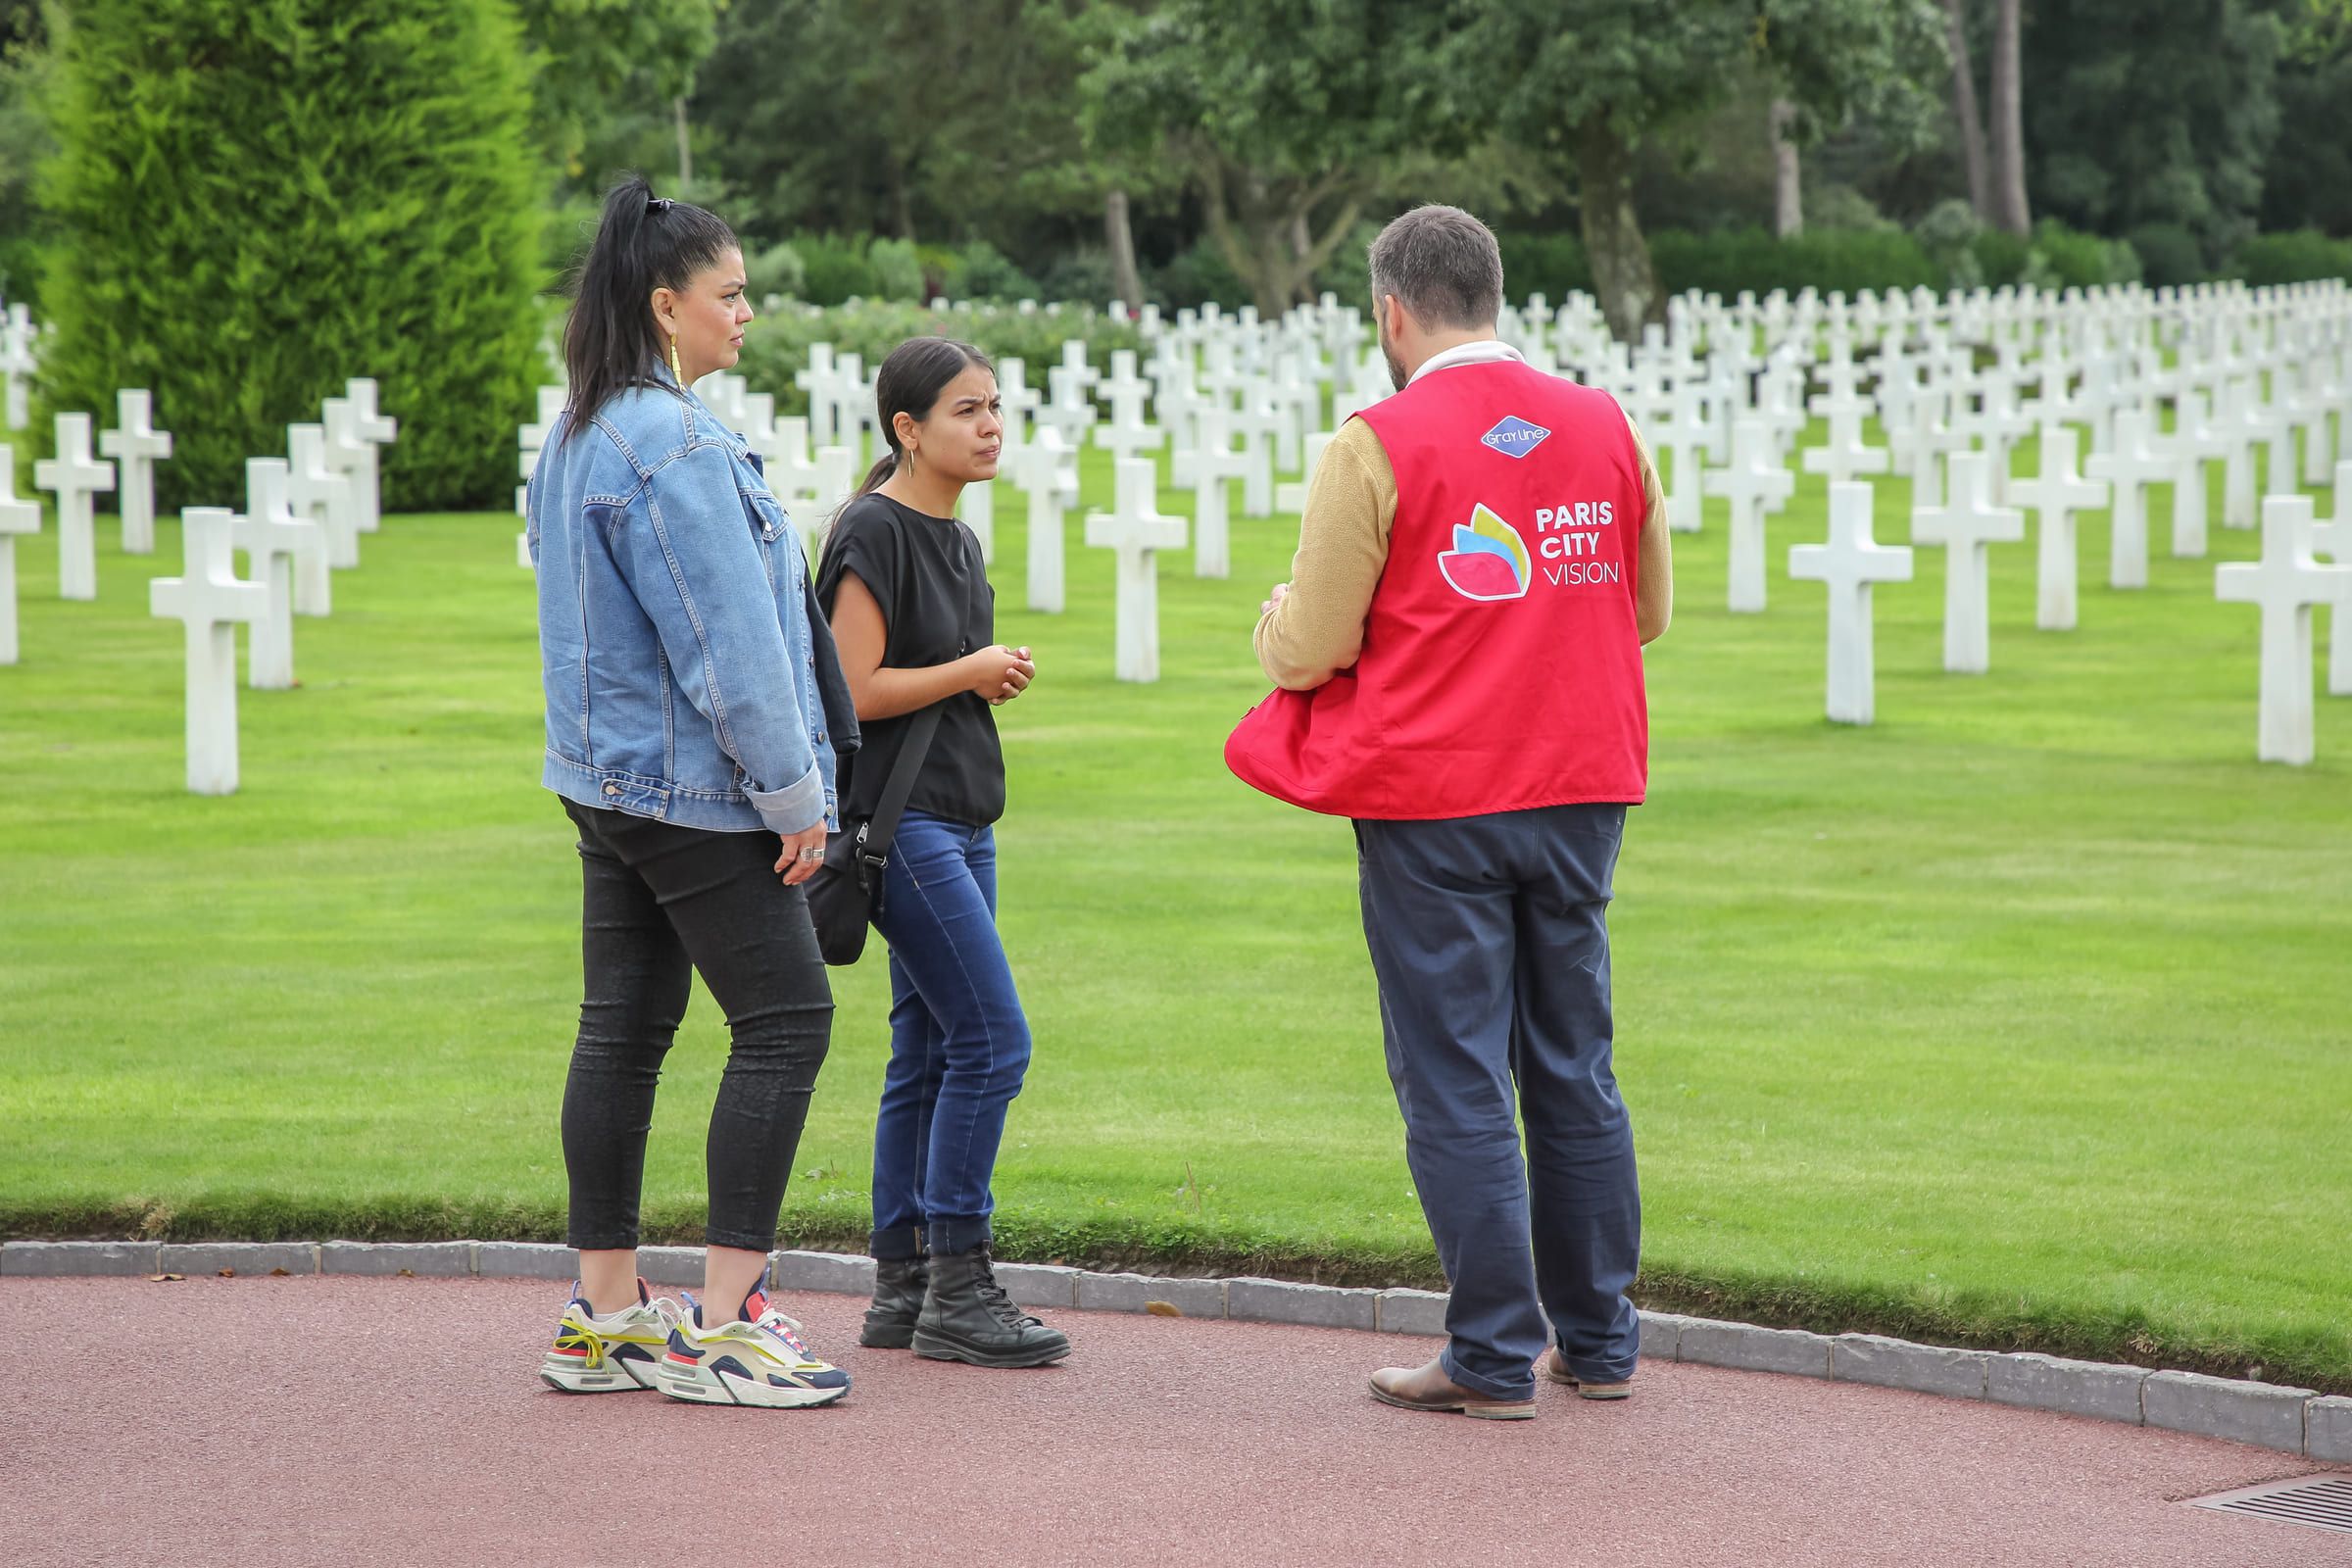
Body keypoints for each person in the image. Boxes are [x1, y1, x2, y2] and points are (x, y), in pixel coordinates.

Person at [1226, 204, 1673, 1420]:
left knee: (1457, 1072)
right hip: (1582, 780)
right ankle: (1601, 1340)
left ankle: (1486, 1355)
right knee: (1575, 1061)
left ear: (1392, 312)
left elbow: (1311, 645)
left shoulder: (1376, 439)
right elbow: (1643, 614)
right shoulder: (1604, 422)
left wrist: (1273, 618)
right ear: (1496, 293)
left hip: (1437, 794)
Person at [525, 174, 858, 1409]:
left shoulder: (577, 429)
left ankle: (608, 1307)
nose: (747, 313)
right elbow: (729, 645)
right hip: (691, 793)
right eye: (731, 294)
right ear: (668, 306)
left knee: (623, 1023)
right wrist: (793, 793)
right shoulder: (673, 443)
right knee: (788, 1019)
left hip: (603, 784)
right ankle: (725, 1321)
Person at [815, 336, 1070, 1369]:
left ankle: (902, 1285)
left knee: (926, 1048)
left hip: (967, 819)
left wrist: (978, 677)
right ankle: (959, 1280)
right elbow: (856, 688)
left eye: (997, 407)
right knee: (993, 1042)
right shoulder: (872, 531)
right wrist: (971, 668)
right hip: (903, 824)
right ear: (906, 429)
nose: (991, 425)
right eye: (967, 410)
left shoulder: (957, 540)